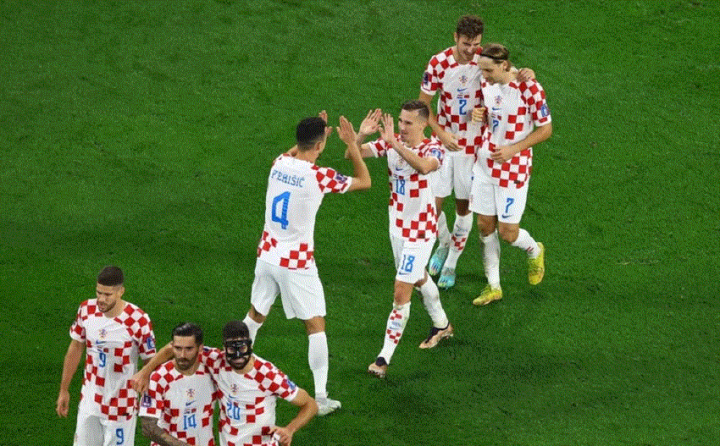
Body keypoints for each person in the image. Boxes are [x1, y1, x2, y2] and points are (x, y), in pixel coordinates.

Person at [241, 112, 371, 415]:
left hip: (267, 255)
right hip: (296, 263)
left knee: (256, 314)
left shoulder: (278, 163)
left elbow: (294, 152)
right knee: (315, 325)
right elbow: (365, 181)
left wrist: (312, 135)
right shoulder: (320, 176)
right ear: (321, 144)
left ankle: (232, 367)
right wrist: (352, 145)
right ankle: (322, 398)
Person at [419, 15, 535, 289]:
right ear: (455, 38)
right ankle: (444, 241)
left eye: (476, 44)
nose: (472, 49)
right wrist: (442, 134)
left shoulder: (483, 62)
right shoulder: (438, 64)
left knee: (463, 209)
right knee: (430, 206)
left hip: (472, 148)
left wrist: (527, 73)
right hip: (444, 143)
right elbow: (423, 107)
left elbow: (512, 77)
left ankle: (452, 262)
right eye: (466, 43)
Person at [350, 101, 453, 379]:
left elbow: (423, 168)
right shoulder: (391, 144)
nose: (402, 126)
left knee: (400, 291)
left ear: (423, 124)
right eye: (400, 121)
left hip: (420, 231)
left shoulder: (433, 148)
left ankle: (382, 359)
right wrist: (361, 135)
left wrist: (394, 144)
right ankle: (442, 325)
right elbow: (354, 155)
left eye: (408, 122)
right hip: (397, 227)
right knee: (417, 277)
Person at [134, 321, 318, 446]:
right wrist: (145, 371)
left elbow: (310, 404)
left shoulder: (268, 375)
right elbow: (173, 348)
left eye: (242, 348)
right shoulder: (217, 361)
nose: (237, 356)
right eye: (231, 348)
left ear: (250, 345)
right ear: (224, 347)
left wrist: (290, 429)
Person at [469, 43, 552, 306]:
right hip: (485, 165)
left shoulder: (530, 88)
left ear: (505, 66)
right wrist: (478, 115)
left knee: (507, 232)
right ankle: (493, 286)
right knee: (484, 225)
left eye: (489, 70)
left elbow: (545, 129)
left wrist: (513, 149)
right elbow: (491, 113)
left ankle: (534, 249)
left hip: (513, 169)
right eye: (482, 70)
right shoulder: (487, 83)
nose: (484, 76)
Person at [56, 266, 156, 446]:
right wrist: (64, 389)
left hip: (121, 407)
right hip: (90, 402)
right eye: (98, 292)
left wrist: (149, 404)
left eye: (107, 295)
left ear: (121, 292)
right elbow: (76, 348)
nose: (101, 299)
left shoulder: (138, 320)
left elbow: (150, 362)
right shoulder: (86, 310)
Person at [139, 323, 217, 446]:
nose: (182, 355)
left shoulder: (212, 371)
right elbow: (148, 427)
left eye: (189, 349)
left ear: (200, 348)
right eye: (178, 348)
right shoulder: (159, 377)